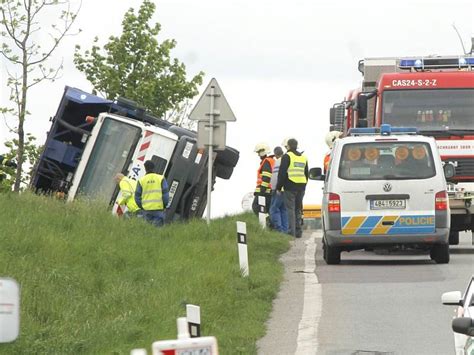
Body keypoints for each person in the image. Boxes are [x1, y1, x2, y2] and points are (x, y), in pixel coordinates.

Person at [276, 138, 308, 238]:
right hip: (301, 187)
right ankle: (298, 232)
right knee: (298, 209)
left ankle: (291, 233)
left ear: (288, 146)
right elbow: (306, 173)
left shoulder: (287, 156)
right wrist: (304, 185)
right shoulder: (304, 157)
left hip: (290, 186)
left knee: (290, 209)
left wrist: (278, 187)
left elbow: (282, 173)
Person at [135, 160, 169, 227]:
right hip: (158, 209)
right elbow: (165, 195)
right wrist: (164, 205)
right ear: (154, 167)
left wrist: (142, 207)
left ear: (145, 169)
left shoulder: (141, 180)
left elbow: (137, 197)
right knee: (157, 231)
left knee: (147, 231)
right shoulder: (161, 178)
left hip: (147, 210)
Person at [269, 146, 288, 233]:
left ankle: (279, 230)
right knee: (283, 210)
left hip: (278, 190)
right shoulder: (285, 160)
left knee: (274, 209)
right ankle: (285, 230)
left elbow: (277, 177)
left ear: (276, 154)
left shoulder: (278, 161)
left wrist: (276, 188)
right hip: (286, 189)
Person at [252, 143, 274, 215]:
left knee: (256, 207)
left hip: (265, 191)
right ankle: (269, 223)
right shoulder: (271, 161)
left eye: (259, 152)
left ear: (263, 151)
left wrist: (262, 191)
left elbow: (267, 177)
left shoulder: (266, 161)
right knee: (267, 210)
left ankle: (266, 223)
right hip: (269, 190)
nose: (258, 155)